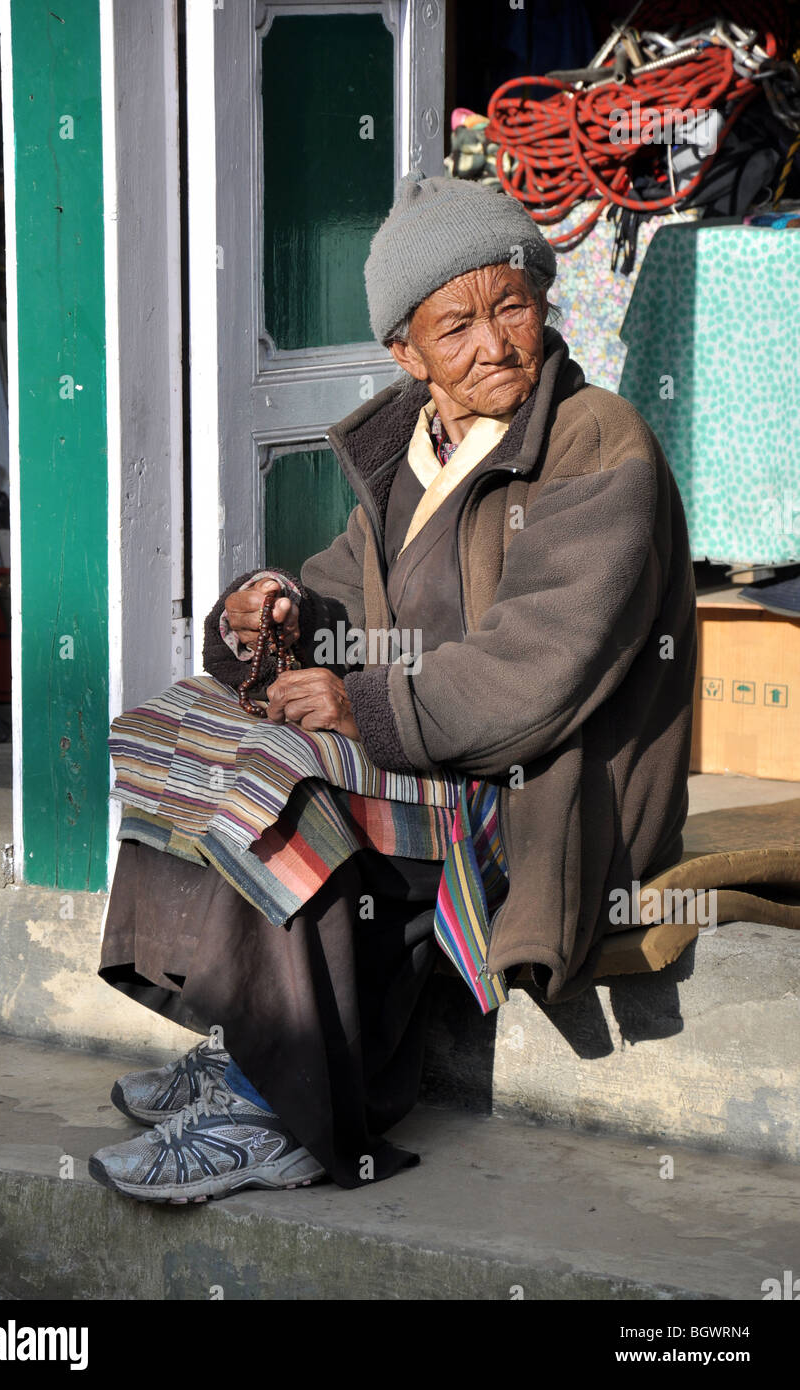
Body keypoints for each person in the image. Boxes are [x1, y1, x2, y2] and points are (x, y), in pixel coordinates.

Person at [89, 172, 696, 1204]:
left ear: (543, 298)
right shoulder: (424, 444)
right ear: (405, 354)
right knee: (187, 724)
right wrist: (270, 608)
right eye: (454, 325)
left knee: (298, 782)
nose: (494, 344)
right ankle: (255, 1046)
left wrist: (363, 708)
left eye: (511, 304)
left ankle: (286, 1112)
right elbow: (345, 591)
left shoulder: (596, 441)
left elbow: (537, 668)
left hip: (540, 790)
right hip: (442, 757)